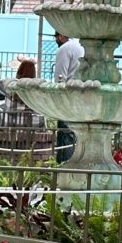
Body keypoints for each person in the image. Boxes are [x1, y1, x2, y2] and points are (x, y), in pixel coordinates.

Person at [0, 58, 40, 126]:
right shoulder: (37, 89)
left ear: (19, 71)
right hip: (33, 129)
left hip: (11, 127)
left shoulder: (10, 85)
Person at [53, 33, 84, 163]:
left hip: (67, 98)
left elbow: (60, 78)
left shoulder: (65, 48)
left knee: (65, 135)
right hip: (83, 97)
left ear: (60, 36)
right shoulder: (81, 46)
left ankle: (64, 168)